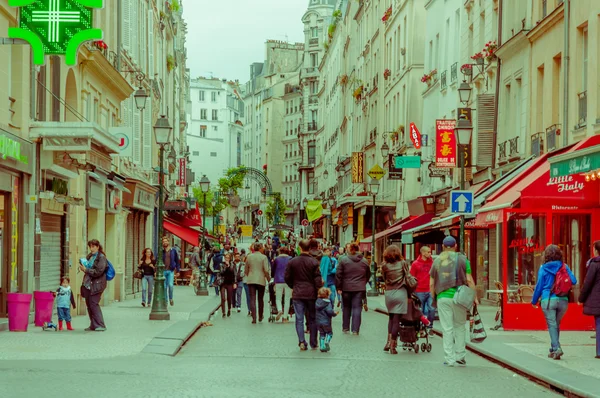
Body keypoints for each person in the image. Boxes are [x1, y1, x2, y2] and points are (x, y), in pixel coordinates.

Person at [430, 236, 478, 366]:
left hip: (443, 298)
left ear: (444, 246)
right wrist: (474, 297)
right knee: (460, 326)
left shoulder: (437, 261)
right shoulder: (463, 259)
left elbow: (432, 282)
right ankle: (460, 356)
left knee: (447, 328)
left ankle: (449, 359)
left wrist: (433, 297)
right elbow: (469, 279)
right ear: (455, 245)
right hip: (460, 298)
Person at [532, 244, 577, 360]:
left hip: (548, 300)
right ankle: (553, 348)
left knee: (552, 325)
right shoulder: (564, 266)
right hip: (563, 300)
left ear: (546, 255)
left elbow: (539, 286)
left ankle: (557, 348)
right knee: (556, 324)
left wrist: (534, 301)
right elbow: (573, 280)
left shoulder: (543, 268)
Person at [285, 239, 323, 350]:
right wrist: (318, 290)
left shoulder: (293, 261)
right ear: (310, 248)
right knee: (312, 318)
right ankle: (313, 342)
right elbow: (317, 279)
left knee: (299, 318)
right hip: (311, 293)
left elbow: (287, 277)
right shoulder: (314, 262)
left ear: (300, 248)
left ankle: (302, 341)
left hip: (298, 292)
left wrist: (293, 285)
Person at [335, 243, 371, 335]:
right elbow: (368, 274)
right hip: (359, 288)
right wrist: (363, 282)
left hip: (346, 287)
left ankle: (345, 327)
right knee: (357, 308)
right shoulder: (364, 261)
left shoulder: (344, 260)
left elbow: (338, 275)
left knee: (346, 307)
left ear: (349, 250)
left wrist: (339, 287)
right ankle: (355, 329)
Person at [381, 245, 411, 354]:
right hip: (400, 292)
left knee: (391, 318)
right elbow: (408, 277)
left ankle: (388, 342)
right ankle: (393, 346)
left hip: (389, 293)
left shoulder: (384, 266)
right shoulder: (403, 264)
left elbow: (384, 279)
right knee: (396, 321)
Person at [78, 239, 108, 332]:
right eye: (90, 246)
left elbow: (98, 272)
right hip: (88, 284)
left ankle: (100, 324)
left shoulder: (101, 257)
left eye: (94, 246)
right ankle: (93, 324)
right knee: (89, 305)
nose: (92, 248)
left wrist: (86, 270)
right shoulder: (90, 256)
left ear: (98, 247)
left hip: (97, 284)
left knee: (94, 304)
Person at [579, 240, 600, 359]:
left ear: (596, 251)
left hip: (597, 299)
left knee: (599, 324)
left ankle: (599, 351)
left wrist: (581, 298)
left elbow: (588, 283)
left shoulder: (594, 264)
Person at [245, 242, 271, 323]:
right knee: (260, 299)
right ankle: (260, 316)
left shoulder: (249, 257)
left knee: (252, 298)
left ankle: (254, 317)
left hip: (251, 279)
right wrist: (268, 278)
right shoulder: (264, 257)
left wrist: (248, 275)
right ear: (260, 248)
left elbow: (246, 269)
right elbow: (266, 270)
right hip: (260, 280)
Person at [411, 246, 434, 333]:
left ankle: (429, 326)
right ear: (423, 253)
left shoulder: (432, 263)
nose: (430, 253)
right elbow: (412, 277)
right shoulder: (415, 264)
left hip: (430, 289)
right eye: (428, 252)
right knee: (420, 310)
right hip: (419, 290)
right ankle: (420, 327)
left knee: (431, 309)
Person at [316, 287, 338, 352]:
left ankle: (322, 347)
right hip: (326, 322)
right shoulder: (327, 303)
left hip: (318, 322)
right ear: (328, 294)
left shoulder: (317, 302)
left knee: (322, 333)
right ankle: (327, 341)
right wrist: (334, 314)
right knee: (329, 333)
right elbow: (329, 311)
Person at [273, 247, 292, 321]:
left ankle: (280, 310)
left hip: (278, 280)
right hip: (288, 281)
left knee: (278, 298)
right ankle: (285, 317)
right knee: (287, 299)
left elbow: (273, 270)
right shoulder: (290, 259)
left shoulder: (276, 259)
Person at [161, 237, 180, 306]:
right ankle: (166, 301)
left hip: (170, 271)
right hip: (163, 271)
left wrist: (178, 270)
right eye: (163, 241)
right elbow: (157, 260)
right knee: (164, 287)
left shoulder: (173, 250)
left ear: (168, 242)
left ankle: (171, 298)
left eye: (166, 241)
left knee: (171, 285)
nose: (165, 242)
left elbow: (177, 261)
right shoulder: (161, 251)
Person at [219, 253, 237, 318]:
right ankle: (223, 312)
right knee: (223, 298)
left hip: (230, 283)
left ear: (230, 258)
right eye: (226, 257)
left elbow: (235, 274)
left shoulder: (233, 264)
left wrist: (235, 283)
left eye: (228, 257)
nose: (227, 259)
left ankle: (229, 309)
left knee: (229, 297)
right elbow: (221, 273)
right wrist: (226, 266)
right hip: (223, 283)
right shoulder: (221, 264)